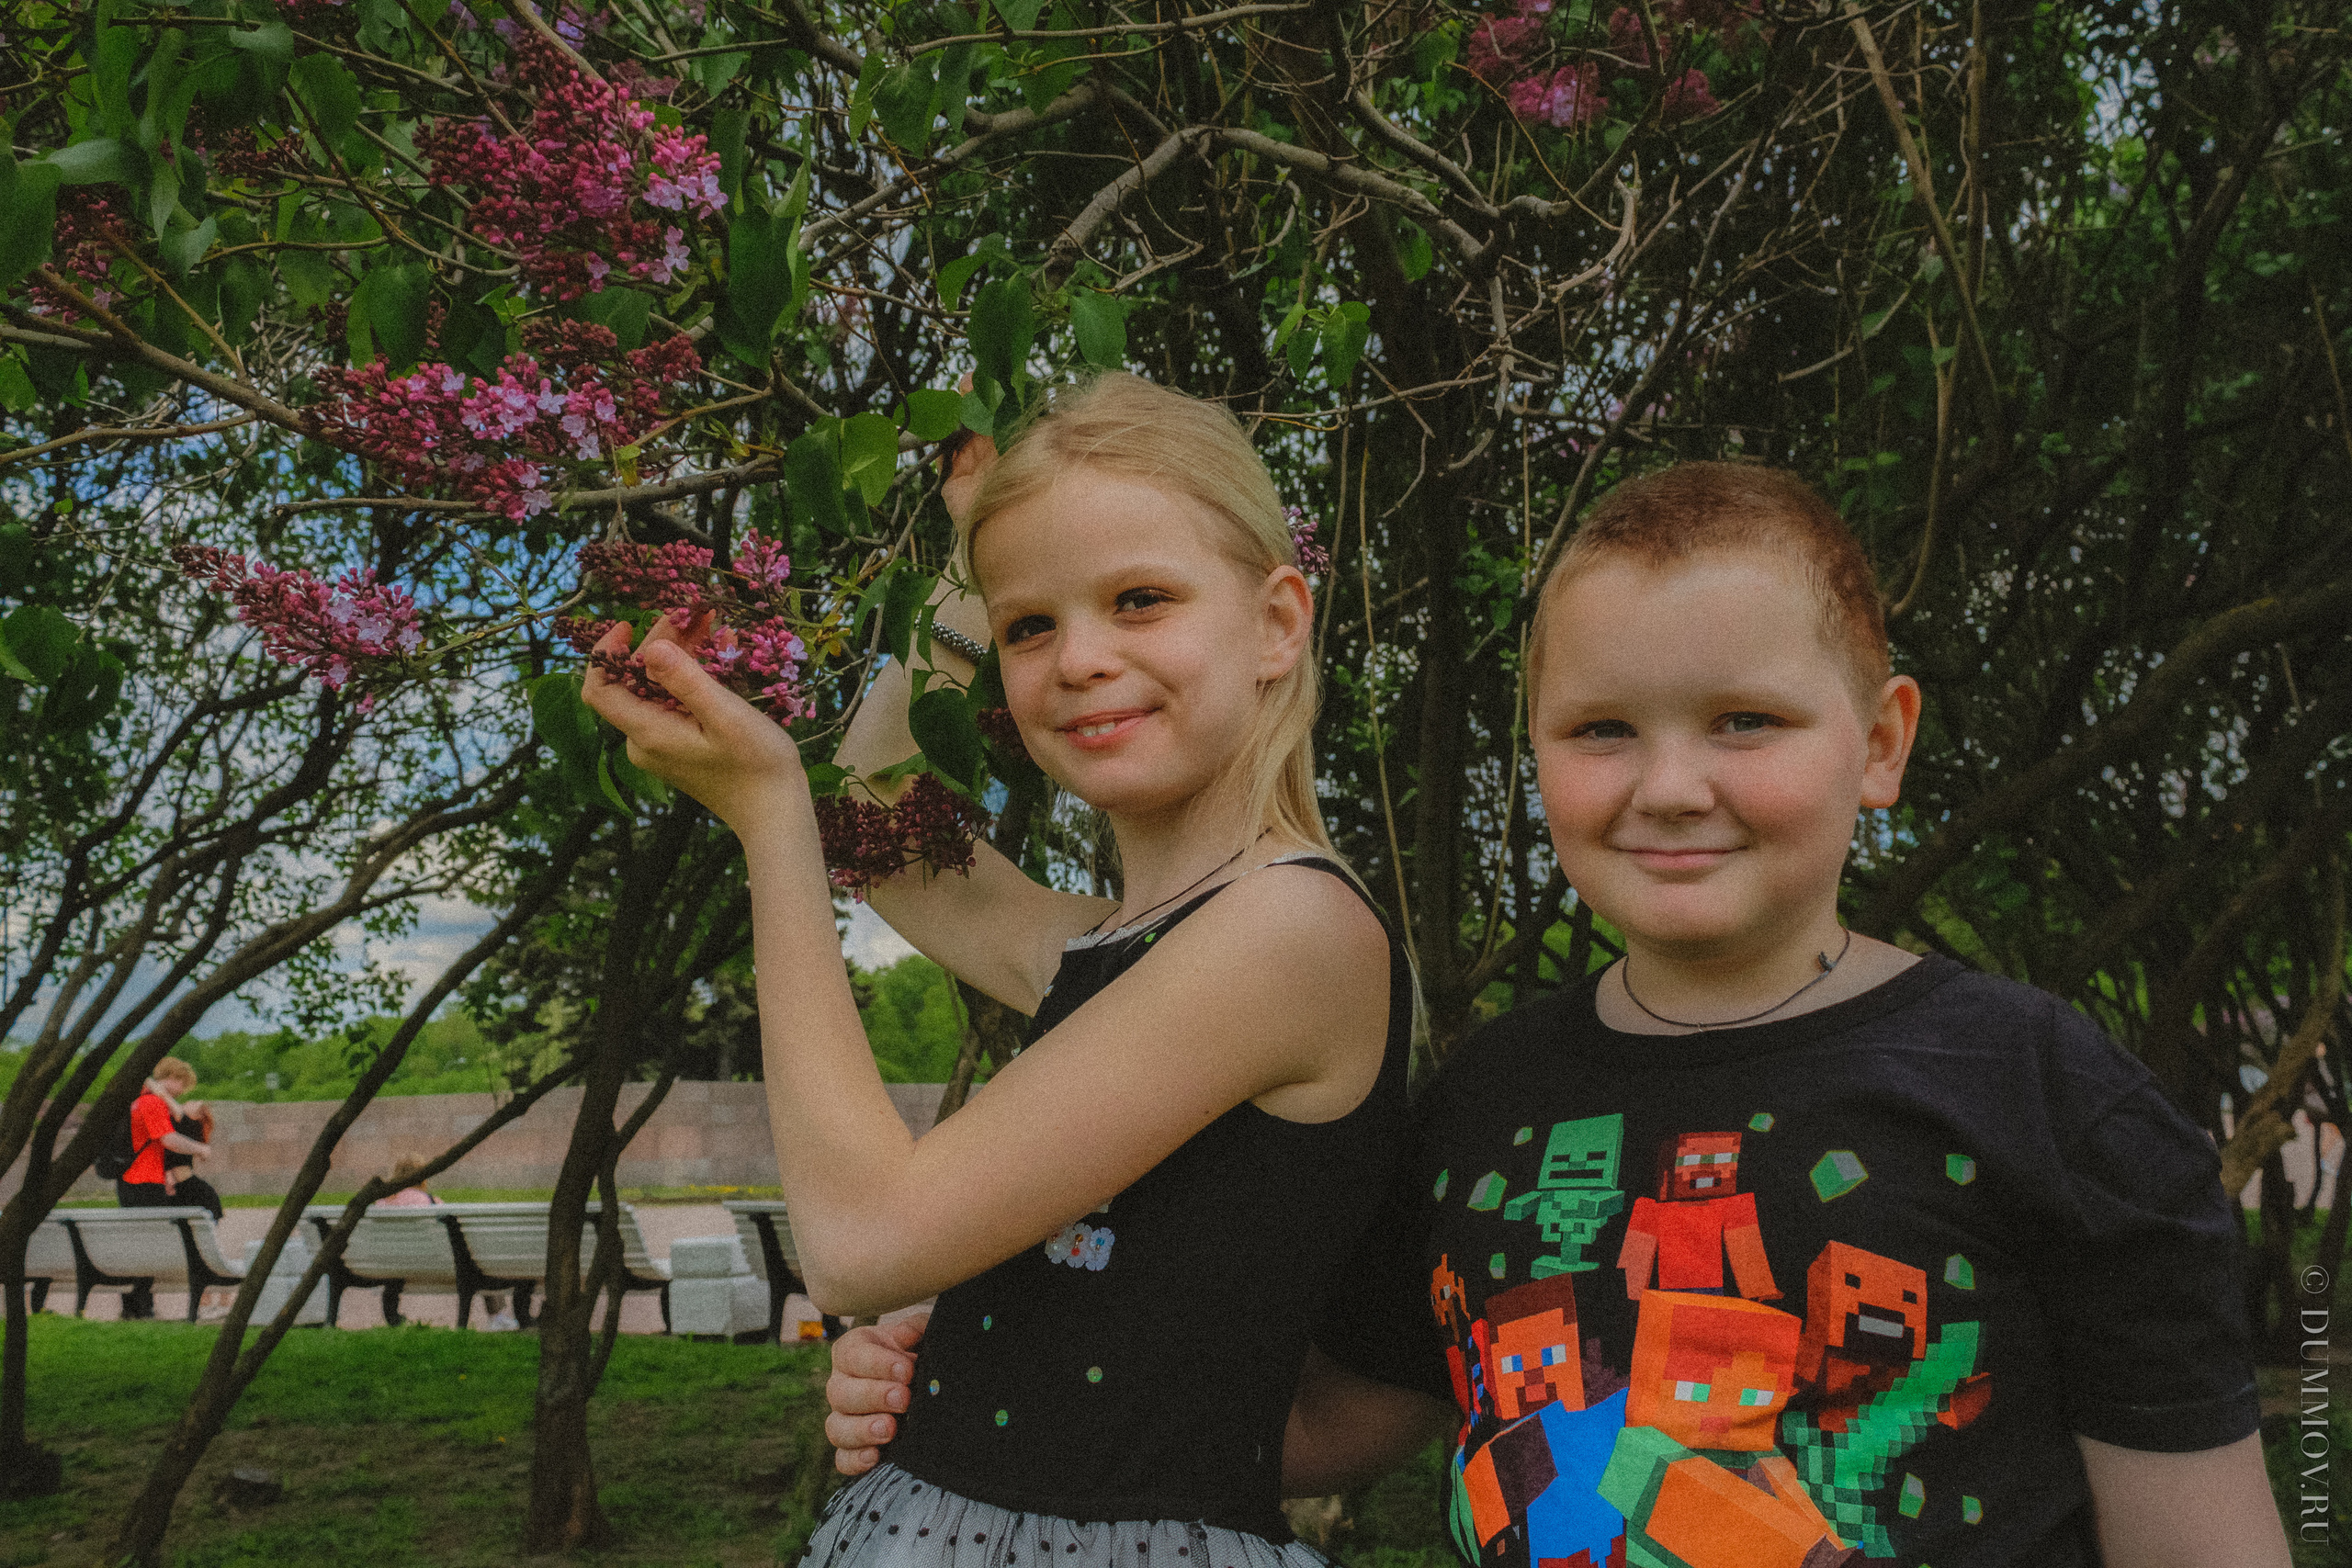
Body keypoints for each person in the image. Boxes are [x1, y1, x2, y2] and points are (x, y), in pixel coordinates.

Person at [824, 463, 2290, 1566]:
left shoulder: (2040, 1090)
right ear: (1535, 755)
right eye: (1602, 729)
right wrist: (975, 1372)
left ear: (1882, 741)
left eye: (1745, 722)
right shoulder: (1488, 1101)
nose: (1667, 785)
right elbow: (1346, 1409)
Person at [583, 372, 1415, 1564]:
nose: (1078, 658)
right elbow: (878, 806)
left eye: (1140, 599)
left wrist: (768, 815)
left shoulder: (1290, 929)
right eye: (1034, 627)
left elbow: (863, 1237)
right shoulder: (1111, 943)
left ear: (1279, 623)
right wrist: (978, 564)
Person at [114, 1057, 216, 1317]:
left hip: (133, 1180)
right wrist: (200, 1149)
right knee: (150, 1244)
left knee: (141, 1242)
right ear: (174, 1077)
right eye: (183, 1084)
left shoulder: (139, 1099)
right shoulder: (152, 1102)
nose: (182, 1091)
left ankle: (135, 1306)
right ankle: (139, 1307)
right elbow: (168, 1139)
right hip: (144, 1181)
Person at [379, 1156, 518, 1329]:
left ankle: (393, 1319)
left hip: (391, 1266)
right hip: (435, 1265)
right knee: (476, 1258)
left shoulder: (382, 1203)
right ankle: (496, 1317)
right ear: (424, 1176)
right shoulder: (432, 1203)